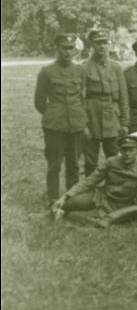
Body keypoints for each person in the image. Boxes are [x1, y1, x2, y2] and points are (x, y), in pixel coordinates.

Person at [52, 134, 137, 228]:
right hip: (100, 197)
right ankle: (51, 212)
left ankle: (77, 217)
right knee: (72, 202)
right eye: (124, 150)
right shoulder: (111, 162)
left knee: (74, 216)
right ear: (120, 151)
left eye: (131, 150)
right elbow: (89, 181)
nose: (127, 154)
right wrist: (66, 196)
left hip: (118, 205)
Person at [35, 33, 87, 202]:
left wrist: (79, 118)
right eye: (64, 48)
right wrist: (54, 115)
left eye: (71, 48)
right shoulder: (47, 72)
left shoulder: (80, 70)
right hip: (55, 126)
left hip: (76, 125)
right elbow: (39, 102)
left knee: (73, 164)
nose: (67, 52)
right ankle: (53, 199)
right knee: (54, 165)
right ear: (57, 49)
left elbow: (82, 98)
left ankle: (71, 200)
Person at [83, 29, 129, 177]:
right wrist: (84, 125)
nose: (102, 46)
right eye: (98, 43)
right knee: (90, 160)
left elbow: (123, 97)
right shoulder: (84, 68)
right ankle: (88, 192)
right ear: (92, 45)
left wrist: (125, 123)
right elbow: (80, 99)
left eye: (105, 42)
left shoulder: (116, 67)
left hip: (112, 118)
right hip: (92, 118)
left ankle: (115, 190)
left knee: (114, 158)